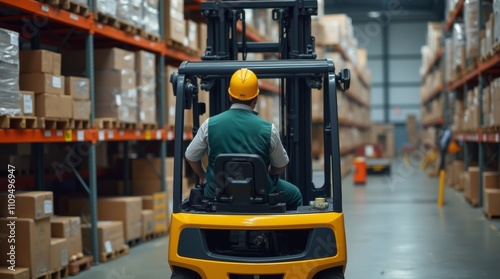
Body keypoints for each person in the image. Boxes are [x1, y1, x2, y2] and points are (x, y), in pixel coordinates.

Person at [184, 68, 303, 209]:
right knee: (295, 195)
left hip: (217, 194)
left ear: (229, 95)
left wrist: (203, 175)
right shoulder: (268, 129)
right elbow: (281, 164)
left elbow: (190, 156)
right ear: (256, 98)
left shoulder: (209, 124)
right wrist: (269, 172)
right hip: (259, 195)